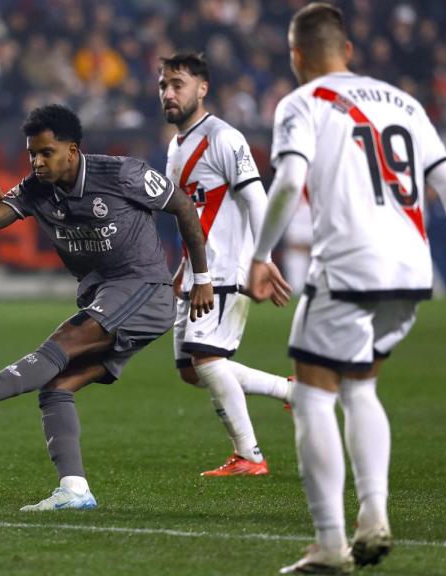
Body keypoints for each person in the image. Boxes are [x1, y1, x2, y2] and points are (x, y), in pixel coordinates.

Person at [246, 4, 446, 573]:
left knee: (314, 394)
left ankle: (331, 544)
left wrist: (261, 255)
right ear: (350, 51)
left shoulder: (300, 102)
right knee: (360, 388)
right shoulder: (404, 102)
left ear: (296, 58)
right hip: (410, 271)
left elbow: (288, 179)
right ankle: (374, 516)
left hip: (350, 265)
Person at [0, 104, 214, 510]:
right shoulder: (36, 189)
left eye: (46, 153)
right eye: (32, 153)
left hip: (142, 287)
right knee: (56, 387)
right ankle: (74, 489)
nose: (37, 161)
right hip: (103, 295)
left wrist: (201, 278)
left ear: (72, 150)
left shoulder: (122, 173)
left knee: (65, 339)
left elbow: (182, 206)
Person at [159, 52, 294, 477]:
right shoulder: (174, 146)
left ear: (202, 89)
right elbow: (187, 214)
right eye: (163, 85)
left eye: (177, 84)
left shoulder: (225, 138)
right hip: (195, 271)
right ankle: (291, 390)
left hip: (224, 270)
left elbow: (257, 198)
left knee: (207, 361)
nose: (168, 93)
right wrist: (181, 269)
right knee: (190, 371)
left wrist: (262, 259)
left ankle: (250, 457)